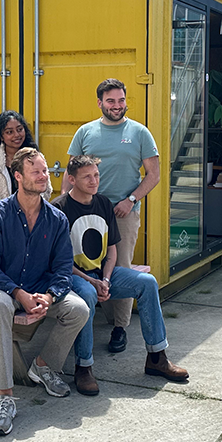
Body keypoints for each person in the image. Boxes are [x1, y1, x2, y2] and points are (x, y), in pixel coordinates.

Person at [53, 155, 187, 396]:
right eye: (87, 177)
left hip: (101, 274)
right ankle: (83, 366)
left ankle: (157, 357)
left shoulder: (103, 203)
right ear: (71, 180)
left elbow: (112, 250)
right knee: (87, 296)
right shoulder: (59, 208)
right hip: (73, 276)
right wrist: (92, 282)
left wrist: (104, 279)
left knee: (147, 282)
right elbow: (59, 261)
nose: (94, 181)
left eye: (96, 175)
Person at [0, 148, 88, 436]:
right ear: (17, 176)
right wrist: (19, 294)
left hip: (40, 291)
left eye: (45, 171)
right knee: (0, 306)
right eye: (36, 171)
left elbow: (63, 269)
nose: (44, 177)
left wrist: (49, 296)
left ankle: (43, 365)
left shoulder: (56, 219)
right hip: (2, 288)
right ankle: (5, 397)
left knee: (79, 309)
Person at [63, 78, 160, 354]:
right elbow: (71, 174)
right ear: (100, 103)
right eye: (111, 101)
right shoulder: (85, 132)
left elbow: (154, 174)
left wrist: (131, 200)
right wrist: (62, 206)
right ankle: (81, 318)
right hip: (84, 212)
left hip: (121, 212)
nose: (117, 106)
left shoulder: (140, 132)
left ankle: (120, 327)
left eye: (120, 100)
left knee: (121, 268)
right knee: (79, 262)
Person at [0, 110, 53, 213]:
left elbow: (46, 189)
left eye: (20, 129)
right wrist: (5, 209)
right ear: (1, 136)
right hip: (0, 220)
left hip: (32, 216)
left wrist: (30, 206)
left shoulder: (36, 158)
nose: (16, 135)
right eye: (9, 132)